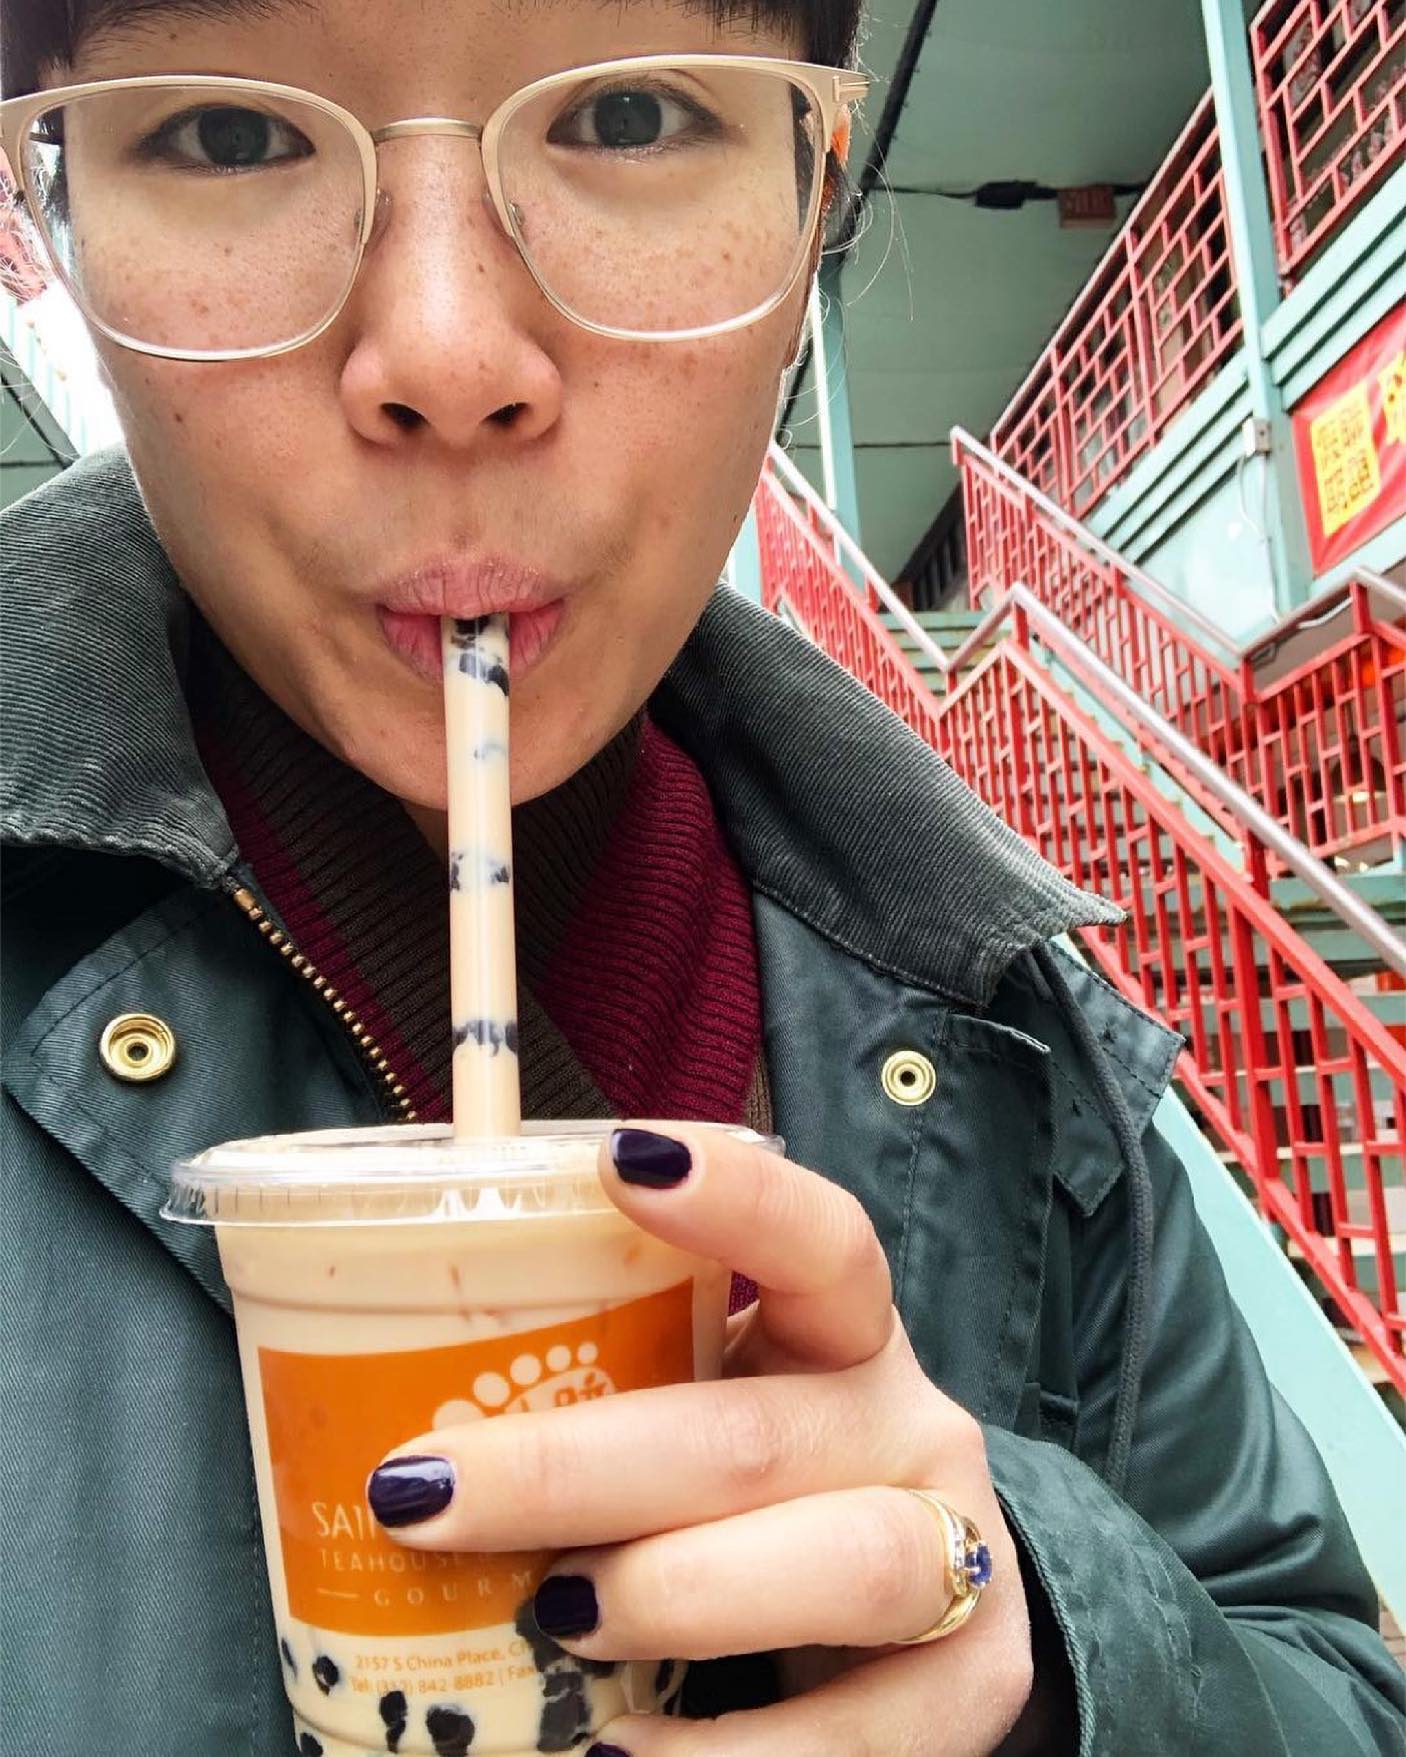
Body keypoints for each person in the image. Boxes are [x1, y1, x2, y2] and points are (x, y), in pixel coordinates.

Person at [1, 2, 1402, 1753]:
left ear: (816, 198)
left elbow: (1326, 1667)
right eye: (229, 134)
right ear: (53, 209)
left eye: (632, 115)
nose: (448, 353)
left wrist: (1052, 1661)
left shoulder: (1005, 1012)